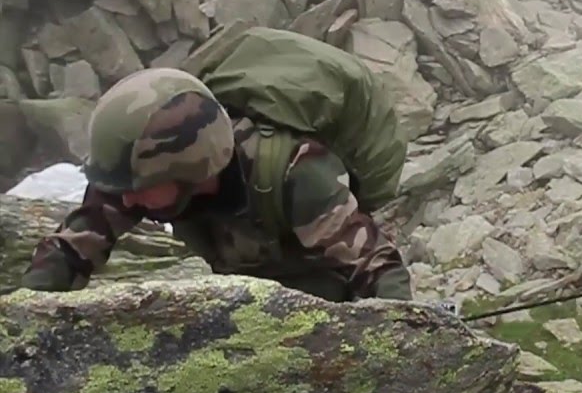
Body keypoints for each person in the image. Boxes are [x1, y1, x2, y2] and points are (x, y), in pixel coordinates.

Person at [17, 67, 414, 302]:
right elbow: (71, 250)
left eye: (136, 188)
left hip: (319, 292)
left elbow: (378, 267)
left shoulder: (299, 173)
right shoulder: (138, 177)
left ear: (195, 169)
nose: (125, 200)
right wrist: (22, 324)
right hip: (243, 296)